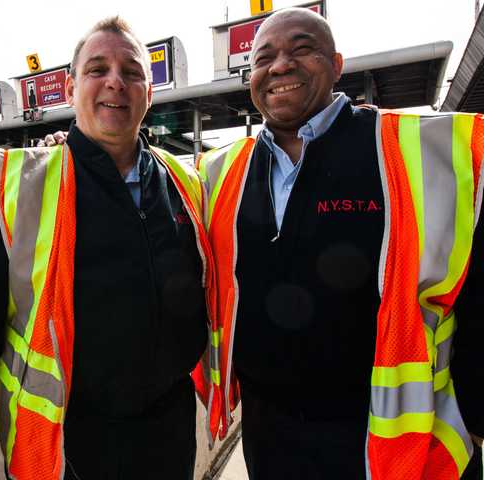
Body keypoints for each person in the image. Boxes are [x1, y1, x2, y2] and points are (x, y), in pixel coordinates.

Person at [198, 7, 484, 480]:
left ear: (337, 64)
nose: (280, 65)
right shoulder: (221, 171)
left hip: (391, 440)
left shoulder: (421, 149)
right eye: (263, 57)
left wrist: (474, 419)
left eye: (302, 49)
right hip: (271, 435)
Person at [0, 16, 213, 480]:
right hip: (67, 442)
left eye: (132, 72)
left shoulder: (185, 184)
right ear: (71, 86)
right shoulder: (16, 183)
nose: (115, 82)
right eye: (97, 69)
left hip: (169, 432)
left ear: (149, 92)